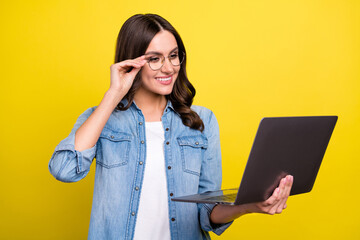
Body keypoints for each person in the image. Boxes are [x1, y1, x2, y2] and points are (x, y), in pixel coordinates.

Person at [48, 13, 293, 240]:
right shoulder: (100, 117)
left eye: (173, 56)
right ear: (132, 62)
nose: (168, 68)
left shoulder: (202, 121)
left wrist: (250, 206)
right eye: (154, 59)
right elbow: (65, 170)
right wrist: (113, 94)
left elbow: (206, 212)